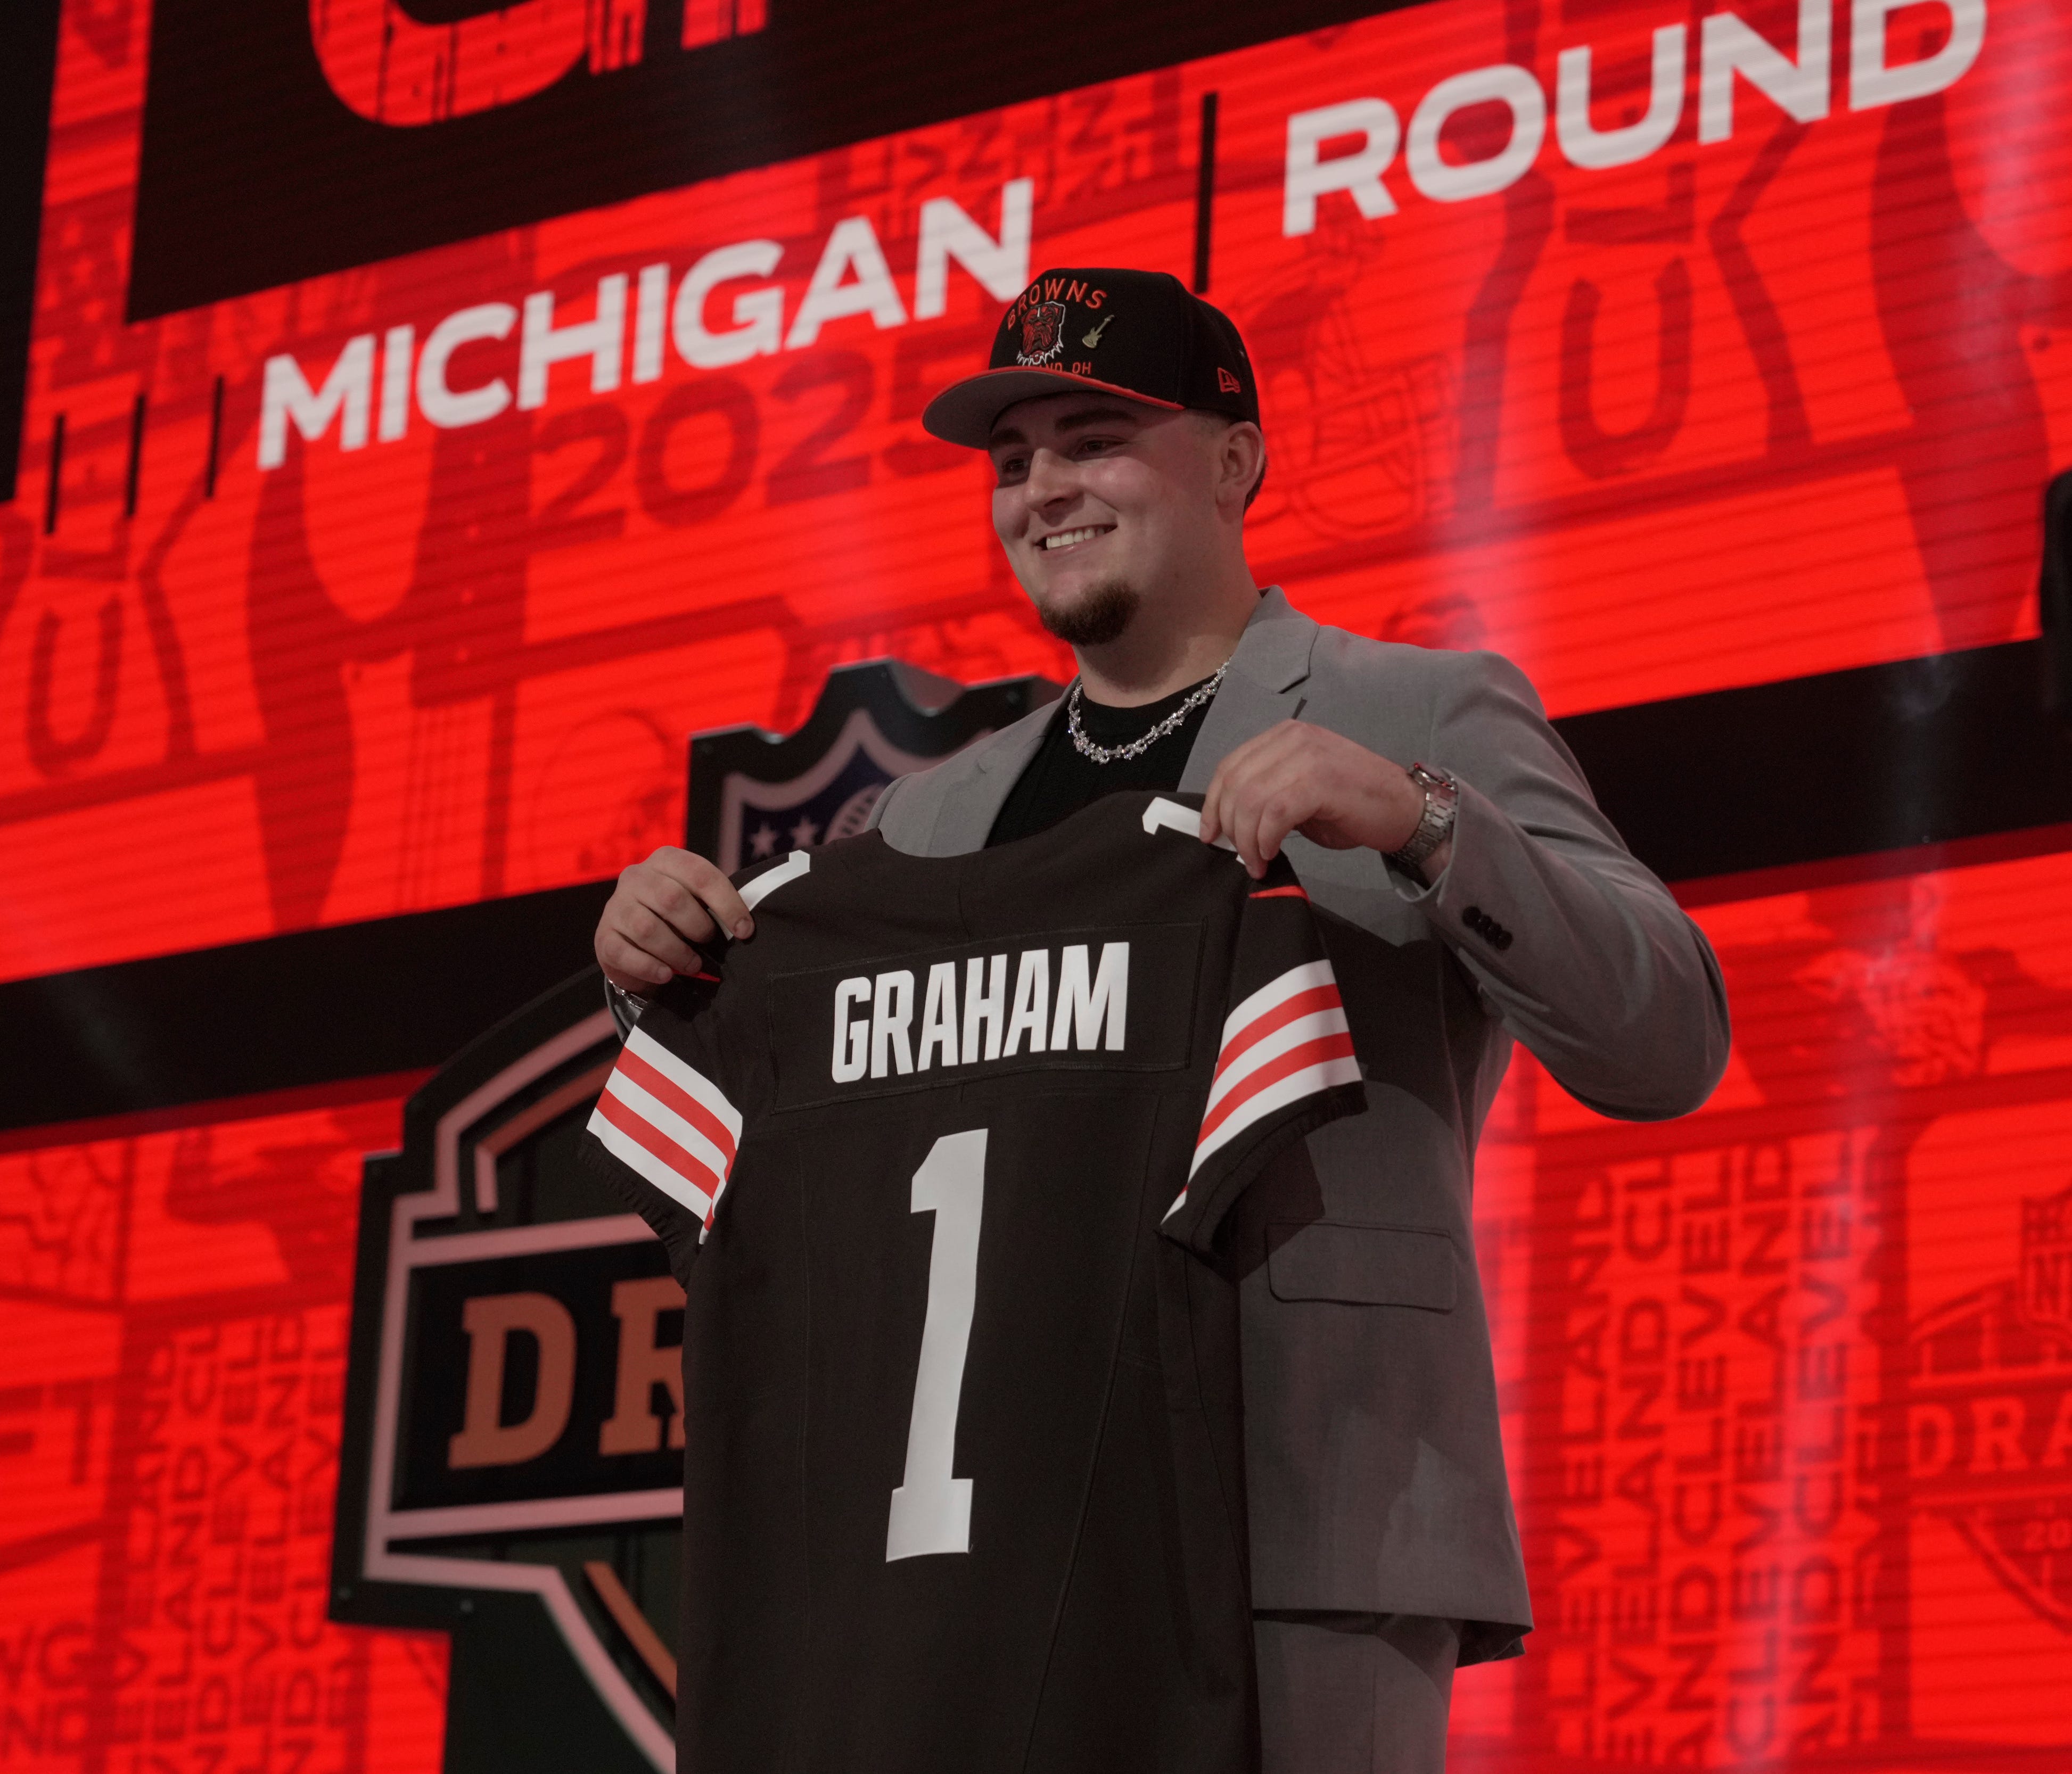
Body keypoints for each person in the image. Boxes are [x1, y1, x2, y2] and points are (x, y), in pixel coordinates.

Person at [593, 266, 1731, 1773]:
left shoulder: (1425, 712)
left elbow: (1670, 1035)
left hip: (1308, 1524)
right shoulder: (930, 820)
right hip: (1001, 1534)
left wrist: (1423, 824)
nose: (1045, 489)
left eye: (1093, 438)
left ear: (1238, 462)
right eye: (1013, 462)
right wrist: (665, 968)